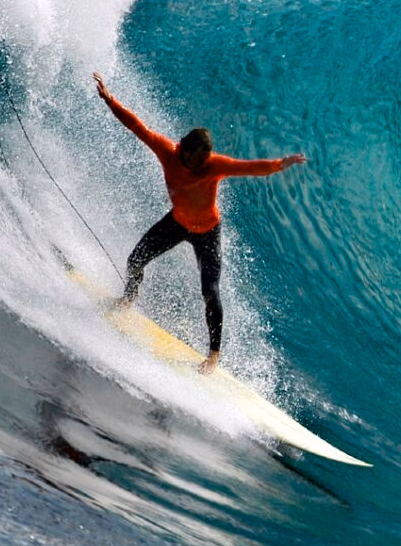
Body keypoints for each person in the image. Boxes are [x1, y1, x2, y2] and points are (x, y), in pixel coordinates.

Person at [93, 72, 305, 374]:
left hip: (207, 231)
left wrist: (279, 164)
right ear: (185, 150)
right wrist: (111, 100)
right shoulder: (167, 152)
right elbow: (137, 127)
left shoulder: (213, 164)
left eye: (206, 160)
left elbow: (248, 168)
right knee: (135, 261)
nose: (203, 165)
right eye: (198, 160)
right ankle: (128, 300)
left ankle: (214, 355)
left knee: (210, 290)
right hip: (177, 222)